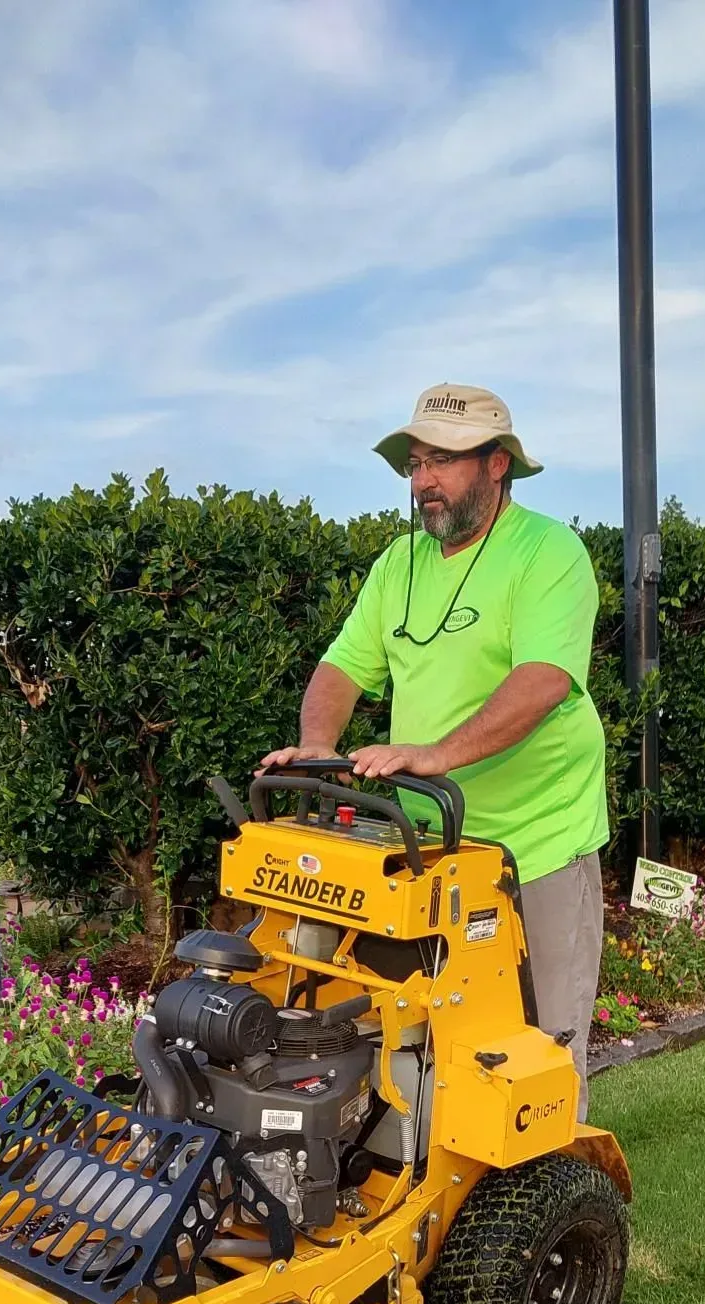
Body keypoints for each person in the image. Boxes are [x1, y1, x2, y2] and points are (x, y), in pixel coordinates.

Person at [260, 382, 608, 1094]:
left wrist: (436, 755)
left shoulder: (549, 553)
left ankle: (562, 1202)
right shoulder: (400, 564)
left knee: (540, 1047)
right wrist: (318, 743)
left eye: (442, 462)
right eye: (416, 463)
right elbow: (341, 666)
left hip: (534, 843)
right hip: (424, 847)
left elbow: (543, 682)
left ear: (495, 465)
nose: (423, 482)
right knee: (409, 1029)